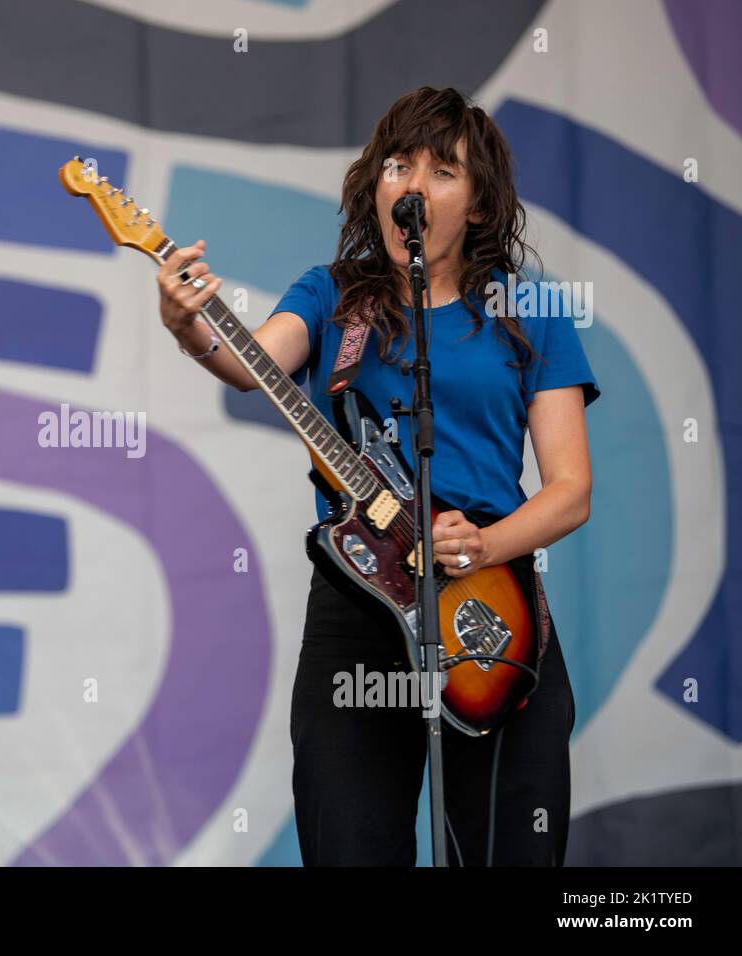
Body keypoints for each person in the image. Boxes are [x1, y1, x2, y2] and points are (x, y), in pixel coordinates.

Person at [155, 87, 598, 866]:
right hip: (360, 604)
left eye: (442, 169)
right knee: (351, 842)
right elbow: (248, 363)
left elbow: (570, 490)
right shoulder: (333, 296)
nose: (413, 184)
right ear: (376, 184)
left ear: (481, 204)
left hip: (486, 605)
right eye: (398, 165)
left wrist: (485, 547)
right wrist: (188, 322)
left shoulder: (529, 308)